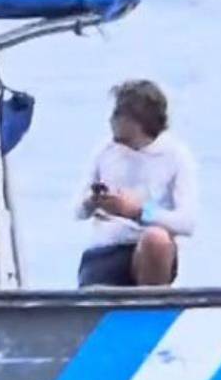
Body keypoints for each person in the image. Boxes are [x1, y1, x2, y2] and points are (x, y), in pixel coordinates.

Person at [75, 80, 198, 287]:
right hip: (105, 250)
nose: (110, 121)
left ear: (136, 121)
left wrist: (138, 212)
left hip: (147, 252)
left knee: (156, 239)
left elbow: (187, 223)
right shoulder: (104, 152)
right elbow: (77, 211)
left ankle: (151, 309)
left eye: (116, 115)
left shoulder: (176, 155)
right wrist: (94, 202)